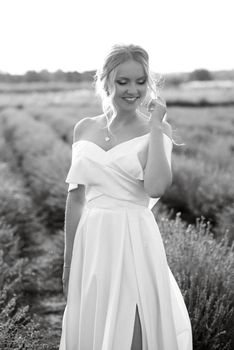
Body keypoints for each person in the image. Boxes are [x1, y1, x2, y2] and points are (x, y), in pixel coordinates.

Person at [59, 43, 193, 350]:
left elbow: (156, 188)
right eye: (123, 81)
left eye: (140, 81)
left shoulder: (155, 131)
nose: (132, 90)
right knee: (94, 320)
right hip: (91, 240)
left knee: (134, 324)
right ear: (105, 81)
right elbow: (76, 199)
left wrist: (158, 128)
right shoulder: (84, 129)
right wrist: (68, 264)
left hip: (133, 237)